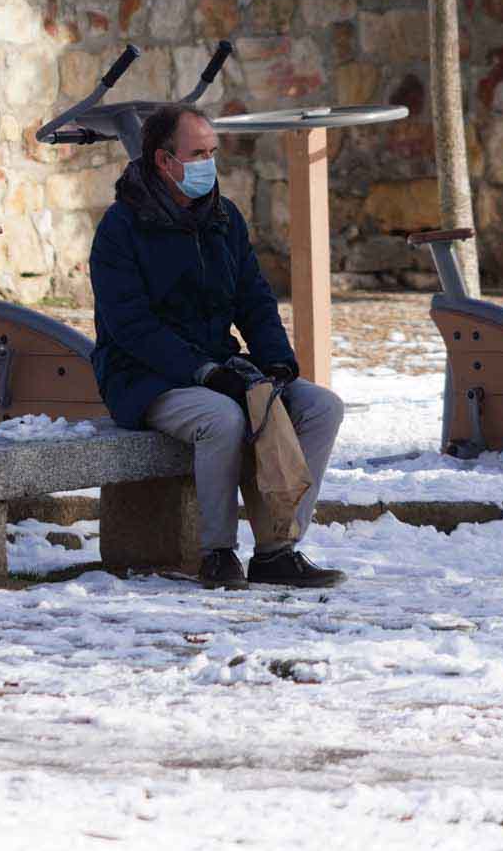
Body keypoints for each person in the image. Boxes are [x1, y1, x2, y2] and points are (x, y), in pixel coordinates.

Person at [89, 102, 347, 590]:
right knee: (221, 419)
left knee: (320, 407)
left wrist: (275, 359)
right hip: (143, 376)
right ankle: (218, 553)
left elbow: (254, 297)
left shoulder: (223, 217)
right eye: (197, 153)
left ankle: (276, 549)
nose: (209, 163)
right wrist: (204, 372)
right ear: (165, 161)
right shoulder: (121, 228)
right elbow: (131, 327)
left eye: (213, 152)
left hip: (220, 365)